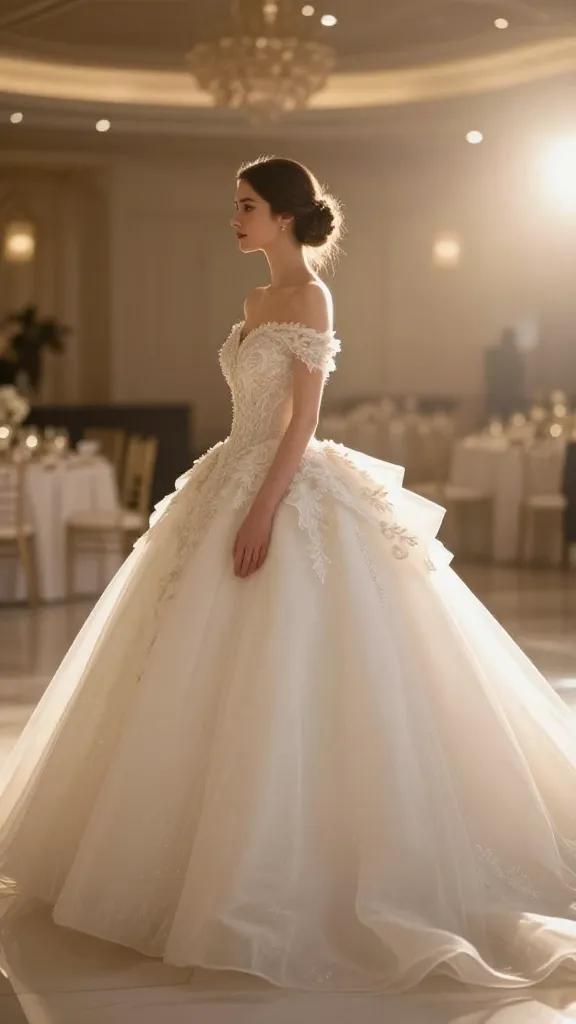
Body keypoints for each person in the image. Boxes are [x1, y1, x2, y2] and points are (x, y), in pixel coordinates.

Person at [2, 157, 576, 994]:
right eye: (233, 206)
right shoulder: (253, 301)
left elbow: (301, 422)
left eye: (246, 207)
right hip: (228, 471)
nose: (233, 220)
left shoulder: (310, 296)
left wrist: (265, 508)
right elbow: (255, 412)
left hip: (281, 480)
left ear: (283, 217)